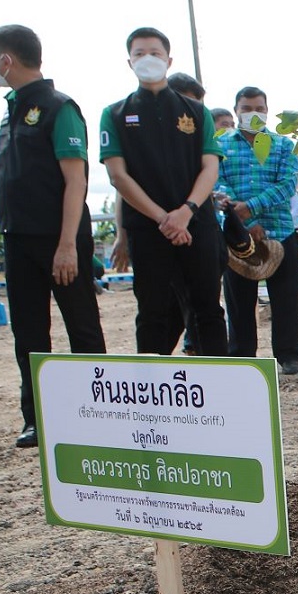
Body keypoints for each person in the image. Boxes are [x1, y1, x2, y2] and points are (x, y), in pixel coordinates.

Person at [0, 24, 107, 449]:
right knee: (30, 333)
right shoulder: (12, 110)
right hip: (17, 240)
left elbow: (76, 182)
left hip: (59, 240)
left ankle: (101, 413)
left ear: (6, 60)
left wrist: (67, 244)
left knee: (83, 329)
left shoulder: (59, 108)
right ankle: (36, 418)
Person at [98, 27, 229, 355]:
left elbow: (209, 168)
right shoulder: (113, 114)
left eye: (155, 53)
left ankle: (220, 389)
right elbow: (118, 176)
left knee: (208, 309)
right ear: (129, 62)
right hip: (148, 228)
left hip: (197, 223)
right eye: (139, 53)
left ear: (169, 60)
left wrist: (186, 212)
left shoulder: (196, 112)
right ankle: (153, 396)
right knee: (153, 312)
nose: (147, 59)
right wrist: (164, 219)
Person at [216, 87, 298, 374]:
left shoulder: (283, 146)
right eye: (245, 108)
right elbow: (218, 184)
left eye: (258, 108)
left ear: (267, 110)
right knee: (239, 300)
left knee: (286, 298)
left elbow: (287, 185)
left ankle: (289, 356)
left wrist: (250, 207)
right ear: (236, 111)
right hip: (236, 234)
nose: (252, 113)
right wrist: (240, 218)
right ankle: (243, 356)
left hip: (279, 231)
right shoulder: (221, 147)